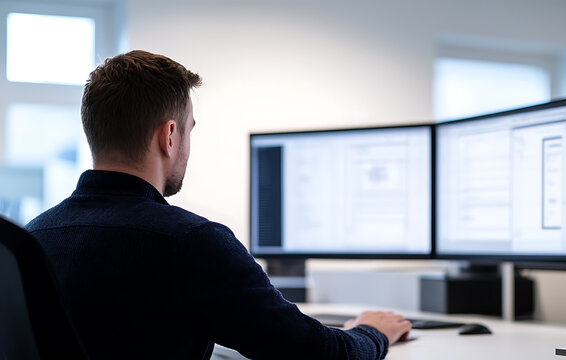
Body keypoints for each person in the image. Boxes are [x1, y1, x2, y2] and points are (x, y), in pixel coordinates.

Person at [25, 50, 411, 360]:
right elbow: (322, 354)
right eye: (190, 130)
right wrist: (372, 330)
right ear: (170, 136)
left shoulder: (31, 238)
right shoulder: (190, 242)